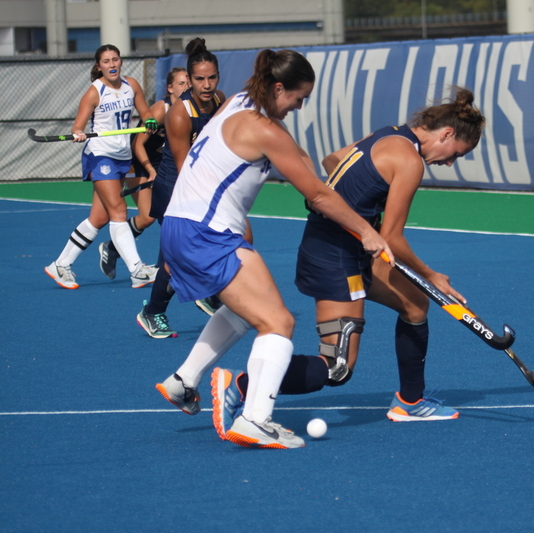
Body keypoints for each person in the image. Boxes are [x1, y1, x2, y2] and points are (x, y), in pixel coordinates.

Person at [210, 87, 485, 439]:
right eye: (456, 154)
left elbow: (333, 161)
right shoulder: (410, 161)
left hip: (347, 247)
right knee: (337, 367)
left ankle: (410, 402)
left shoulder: (389, 133)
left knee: (415, 304)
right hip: (335, 257)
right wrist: (431, 275)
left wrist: (358, 209)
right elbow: (393, 238)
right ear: (446, 134)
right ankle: (240, 386)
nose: (449, 163)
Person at [154, 48, 393, 449]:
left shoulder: (238, 101)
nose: (300, 106)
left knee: (245, 309)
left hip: (184, 226)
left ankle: (183, 381)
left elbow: (295, 155)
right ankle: (255, 419)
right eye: (299, 98)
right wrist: (367, 232)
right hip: (205, 232)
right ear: (279, 88)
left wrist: (315, 177)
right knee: (278, 322)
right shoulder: (264, 129)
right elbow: (317, 195)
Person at [45, 44, 159, 289]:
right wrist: (78, 134)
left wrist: (150, 121)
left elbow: (147, 113)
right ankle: (137, 270)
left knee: (99, 218)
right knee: (119, 212)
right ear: (99, 66)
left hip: (122, 156)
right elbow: (78, 126)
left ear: (120, 61)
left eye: (115, 59)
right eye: (106, 61)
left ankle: (60, 265)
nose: (112, 64)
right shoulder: (94, 92)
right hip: (100, 156)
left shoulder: (131, 85)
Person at [134, 38, 227, 339]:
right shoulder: (179, 113)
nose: (207, 85)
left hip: (201, 184)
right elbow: (186, 167)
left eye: (212, 77)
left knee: (180, 253)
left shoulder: (219, 100)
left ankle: (203, 295)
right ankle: (154, 311)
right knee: (179, 255)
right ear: (190, 79)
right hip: (176, 187)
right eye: (199, 79)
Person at [97, 66, 189, 281]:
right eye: (181, 83)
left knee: (164, 215)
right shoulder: (162, 109)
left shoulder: (189, 108)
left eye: (188, 82)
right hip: (139, 161)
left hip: (164, 163)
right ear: (170, 88)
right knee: (150, 216)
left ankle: (115, 249)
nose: (186, 87)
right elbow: (138, 144)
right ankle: (159, 268)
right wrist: (151, 171)